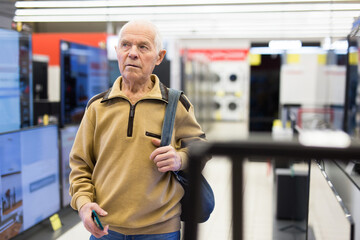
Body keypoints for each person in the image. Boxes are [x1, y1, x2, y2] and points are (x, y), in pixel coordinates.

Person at [69, 20, 207, 240]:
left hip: (161, 229)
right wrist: (83, 204)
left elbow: (201, 147)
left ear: (159, 57)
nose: (132, 53)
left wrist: (180, 158)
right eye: (125, 45)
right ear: (117, 51)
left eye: (143, 47)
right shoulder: (97, 107)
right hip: (105, 228)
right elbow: (80, 164)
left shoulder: (175, 103)